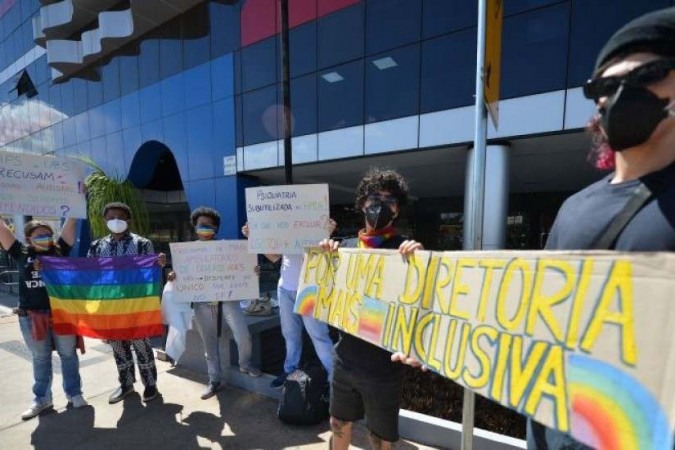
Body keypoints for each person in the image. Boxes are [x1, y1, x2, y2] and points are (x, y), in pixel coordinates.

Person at [527, 6, 675, 449]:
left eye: (647, 74)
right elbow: (535, 326)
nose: (621, 94)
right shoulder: (573, 208)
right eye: (604, 86)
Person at [319, 168, 423, 450]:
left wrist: (420, 266)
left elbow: (421, 303)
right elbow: (324, 298)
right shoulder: (344, 250)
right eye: (374, 197)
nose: (381, 205)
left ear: (398, 209)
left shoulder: (406, 251)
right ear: (362, 203)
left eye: (390, 200)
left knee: (379, 439)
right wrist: (324, 262)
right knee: (338, 427)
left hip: (383, 368)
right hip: (344, 359)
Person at [168, 207, 261, 401]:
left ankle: (245, 363)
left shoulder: (228, 248)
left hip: (228, 299)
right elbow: (181, 276)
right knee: (209, 344)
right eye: (201, 225)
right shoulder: (187, 252)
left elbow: (245, 267)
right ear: (195, 228)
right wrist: (174, 277)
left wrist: (252, 271)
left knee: (243, 335)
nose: (204, 228)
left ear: (216, 228)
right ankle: (213, 379)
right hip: (202, 303)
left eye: (209, 225)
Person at [0, 216, 87, 420]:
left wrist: (76, 202)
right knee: (40, 358)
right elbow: (3, 230)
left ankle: (74, 393)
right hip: (32, 316)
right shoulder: (20, 252)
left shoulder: (58, 250)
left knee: (68, 355)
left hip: (61, 313)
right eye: (39, 235)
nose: (44, 237)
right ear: (28, 238)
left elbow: (70, 224)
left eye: (47, 234)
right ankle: (42, 399)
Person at [242, 219, 337, 389]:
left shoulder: (316, 222)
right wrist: (254, 237)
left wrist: (326, 233)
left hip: (310, 288)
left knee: (319, 335)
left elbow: (325, 256)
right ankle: (289, 370)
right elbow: (273, 257)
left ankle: (335, 380)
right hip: (285, 288)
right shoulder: (284, 227)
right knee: (290, 335)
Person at [87, 202, 166, 404]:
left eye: (120, 217)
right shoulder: (96, 246)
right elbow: (89, 275)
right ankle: (126, 384)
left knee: (142, 347)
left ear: (128, 220)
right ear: (105, 220)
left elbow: (150, 274)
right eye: (111, 217)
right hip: (110, 308)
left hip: (135, 306)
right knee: (119, 349)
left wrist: (159, 265)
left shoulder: (142, 244)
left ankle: (150, 385)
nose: (115, 221)